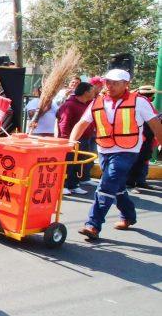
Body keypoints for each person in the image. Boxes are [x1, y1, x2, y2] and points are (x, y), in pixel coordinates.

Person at [68, 69, 162, 240]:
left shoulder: (139, 102)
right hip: (104, 150)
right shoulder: (97, 101)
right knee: (116, 187)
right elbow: (82, 123)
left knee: (107, 184)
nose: (110, 86)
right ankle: (128, 216)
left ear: (127, 84)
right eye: (108, 82)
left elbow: (155, 124)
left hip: (128, 151)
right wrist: (71, 141)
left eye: (115, 83)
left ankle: (93, 224)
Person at [57, 81, 95, 195]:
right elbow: (64, 123)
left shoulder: (88, 104)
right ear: (85, 92)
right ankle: (63, 185)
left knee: (78, 163)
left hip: (84, 139)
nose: (94, 93)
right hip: (71, 140)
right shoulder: (69, 105)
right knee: (68, 164)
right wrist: (67, 140)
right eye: (92, 90)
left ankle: (74, 184)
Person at [125, 85, 159, 190]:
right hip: (138, 136)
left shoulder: (145, 103)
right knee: (135, 160)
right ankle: (130, 183)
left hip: (146, 137)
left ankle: (140, 181)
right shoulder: (140, 103)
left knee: (143, 159)